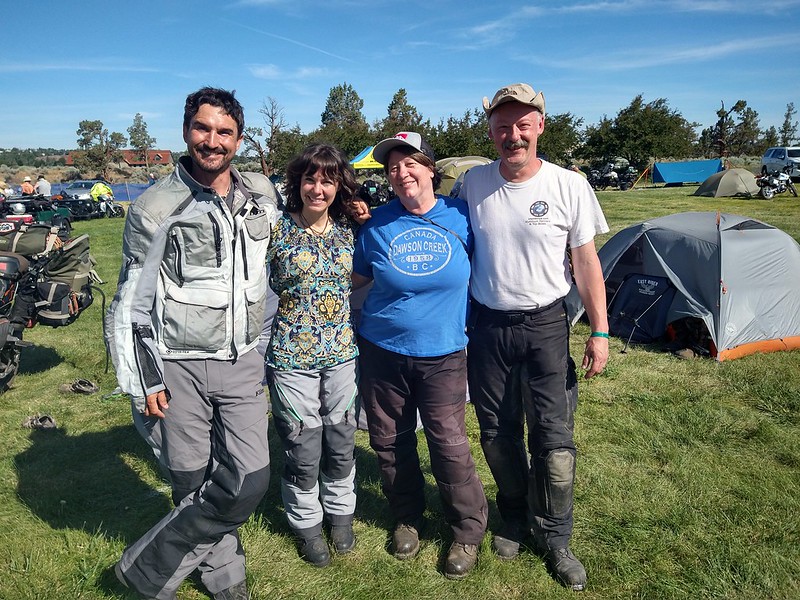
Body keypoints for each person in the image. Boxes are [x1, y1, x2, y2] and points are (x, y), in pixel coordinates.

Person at [105, 86, 280, 600]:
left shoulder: (261, 196)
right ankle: (225, 576)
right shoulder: (156, 207)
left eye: (224, 132)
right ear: (186, 132)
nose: (212, 141)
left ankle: (144, 568)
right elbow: (129, 304)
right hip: (177, 368)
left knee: (248, 479)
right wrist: (142, 380)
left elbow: (274, 268)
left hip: (245, 363)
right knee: (190, 479)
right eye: (202, 129)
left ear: (238, 139)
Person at [459, 83, 609, 592]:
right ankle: (515, 515)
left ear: (541, 125)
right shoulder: (473, 185)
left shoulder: (570, 185)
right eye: (503, 126)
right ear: (491, 131)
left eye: (523, 125)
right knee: (498, 438)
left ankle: (556, 536)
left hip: (546, 326)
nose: (512, 135)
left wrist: (600, 330)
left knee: (555, 445)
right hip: (487, 328)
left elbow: (586, 262)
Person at [353, 131, 488, 580]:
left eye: (410, 162)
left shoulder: (464, 217)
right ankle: (407, 516)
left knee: (448, 444)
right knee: (389, 441)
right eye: (392, 166)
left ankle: (466, 531)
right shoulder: (376, 225)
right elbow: (356, 279)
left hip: (444, 352)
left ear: (431, 168)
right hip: (382, 350)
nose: (401, 172)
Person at [266, 143, 361, 568]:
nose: (317, 188)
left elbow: (366, 276)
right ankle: (306, 522)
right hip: (290, 356)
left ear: (339, 185)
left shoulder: (350, 230)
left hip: (341, 354)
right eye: (310, 179)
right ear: (297, 183)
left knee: (341, 440)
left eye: (327, 180)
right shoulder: (276, 229)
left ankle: (341, 515)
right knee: (303, 447)